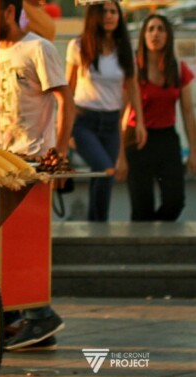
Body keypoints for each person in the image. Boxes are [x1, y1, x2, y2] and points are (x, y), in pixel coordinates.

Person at [0, 0, 75, 351]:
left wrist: (58, 151)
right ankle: (25, 318)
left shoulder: (39, 48)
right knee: (2, 243)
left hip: (32, 162)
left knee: (22, 244)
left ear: (8, 11)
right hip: (2, 162)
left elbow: (66, 100)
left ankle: (40, 316)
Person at [67, 0, 146, 222]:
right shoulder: (79, 46)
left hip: (111, 122)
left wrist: (139, 121)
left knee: (104, 177)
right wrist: (63, 128)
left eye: (114, 12)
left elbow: (132, 86)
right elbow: (67, 89)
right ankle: (98, 226)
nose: (110, 16)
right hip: (84, 121)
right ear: (94, 16)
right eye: (104, 12)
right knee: (105, 169)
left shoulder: (125, 49)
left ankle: (96, 228)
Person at [117, 14, 196, 221]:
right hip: (137, 140)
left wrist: (194, 151)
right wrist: (120, 156)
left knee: (175, 202)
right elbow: (121, 113)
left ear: (168, 36)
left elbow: (188, 112)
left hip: (167, 139)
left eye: (161, 29)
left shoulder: (179, 69)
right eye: (150, 29)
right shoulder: (133, 69)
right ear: (143, 36)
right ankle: (141, 248)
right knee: (142, 209)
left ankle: (157, 245)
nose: (155, 34)